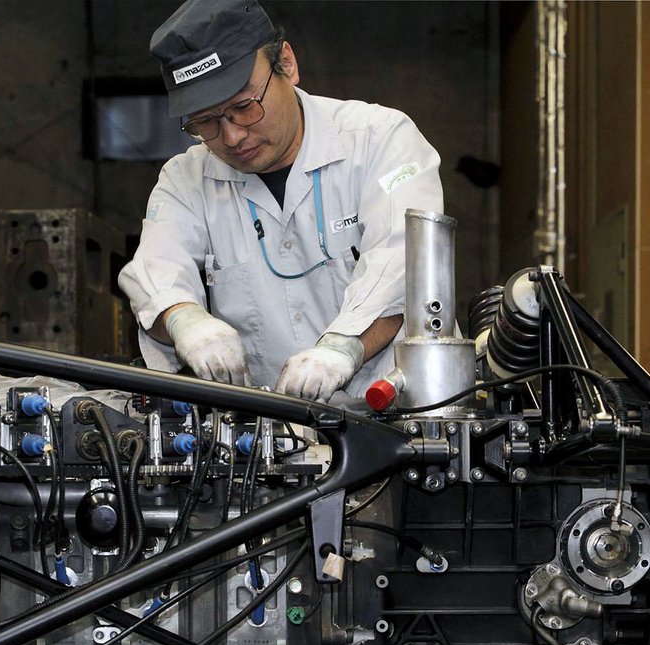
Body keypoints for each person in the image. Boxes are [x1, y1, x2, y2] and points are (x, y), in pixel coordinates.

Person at [118, 0, 444, 406]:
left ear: (286, 64)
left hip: (400, 424)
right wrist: (187, 322)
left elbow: (406, 265)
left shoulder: (380, 141)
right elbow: (156, 273)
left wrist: (341, 349)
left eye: (243, 107)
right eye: (206, 122)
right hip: (273, 442)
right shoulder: (186, 179)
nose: (233, 136)